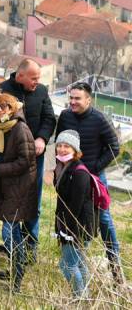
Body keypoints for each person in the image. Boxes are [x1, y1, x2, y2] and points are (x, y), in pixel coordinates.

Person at [55, 82, 122, 284]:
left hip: (93, 176)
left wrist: (94, 167)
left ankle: (115, 265)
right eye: (71, 98)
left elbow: (114, 147)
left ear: (88, 99)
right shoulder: (66, 116)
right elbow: (60, 142)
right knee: (70, 210)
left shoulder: (99, 119)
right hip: (70, 174)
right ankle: (77, 251)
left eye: (78, 98)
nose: (73, 102)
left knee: (103, 219)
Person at [0, 59, 55, 259]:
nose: (37, 82)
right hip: (11, 159)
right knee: (10, 200)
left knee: (33, 203)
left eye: (38, 78)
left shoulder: (41, 91)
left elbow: (49, 118)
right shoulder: (3, 91)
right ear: (20, 76)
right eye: (33, 78)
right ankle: (11, 244)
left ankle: (30, 245)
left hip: (36, 158)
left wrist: (42, 138)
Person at [0, 93, 36, 293]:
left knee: (9, 233)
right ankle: (15, 270)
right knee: (12, 232)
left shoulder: (20, 129)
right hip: (8, 186)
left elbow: (24, 161)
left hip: (20, 187)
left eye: (3, 107)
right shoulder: (2, 128)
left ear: (12, 108)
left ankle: (17, 278)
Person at [53, 130, 98, 297]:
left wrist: (67, 232)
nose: (62, 149)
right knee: (78, 263)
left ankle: (79, 298)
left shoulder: (79, 173)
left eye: (67, 146)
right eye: (60, 146)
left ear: (75, 150)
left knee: (67, 265)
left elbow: (75, 206)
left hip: (78, 227)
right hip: (75, 225)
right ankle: (85, 297)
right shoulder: (64, 167)